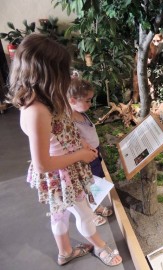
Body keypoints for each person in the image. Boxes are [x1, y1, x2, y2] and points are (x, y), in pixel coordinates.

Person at [7, 33, 122, 267]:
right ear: (46, 73)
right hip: (62, 175)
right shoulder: (37, 110)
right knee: (84, 214)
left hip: (64, 170)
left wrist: (80, 144)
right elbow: (42, 164)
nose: (67, 76)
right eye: (62, 71)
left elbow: (62, 132)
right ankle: (100, 247)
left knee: (58, 213)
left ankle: (65, 251)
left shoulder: (45, 97)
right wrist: (80, 155)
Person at [67, 77, 113, 226]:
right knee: (87, 183)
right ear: (73, 100)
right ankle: (90, 213)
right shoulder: (68, 119)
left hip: (94, 153)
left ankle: (95, 204)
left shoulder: (80, 113)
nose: (90, 103)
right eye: (87, 100)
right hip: (85, 158)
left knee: (96, 181)